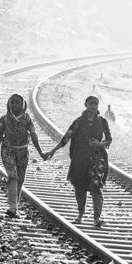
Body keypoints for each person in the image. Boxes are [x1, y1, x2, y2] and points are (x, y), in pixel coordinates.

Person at [45, 95, 112, 226]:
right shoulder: (78, 122)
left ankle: (97, 218)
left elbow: (109, 139)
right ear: (85, 105)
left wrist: (99, 144)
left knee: (96, 186)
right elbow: (66, 138)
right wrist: (52, 151)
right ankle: (80, 214)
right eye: (91, 103)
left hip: (97, 158)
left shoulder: (102, 121)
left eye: (96, 104)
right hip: (80, 158)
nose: (93, 106)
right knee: (80, 187)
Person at [0, 93, 46, 218]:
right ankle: (12, 207)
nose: (15, 105)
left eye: (17, 102)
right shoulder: (5, 119)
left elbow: (33, 136)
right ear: (9, 104)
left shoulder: (27, 119)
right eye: (13, 102)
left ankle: (15, 207)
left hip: (23, 152)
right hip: (8, 151)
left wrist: (40, 152)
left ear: (22, 104)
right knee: (13, 176)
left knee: (20, 179)